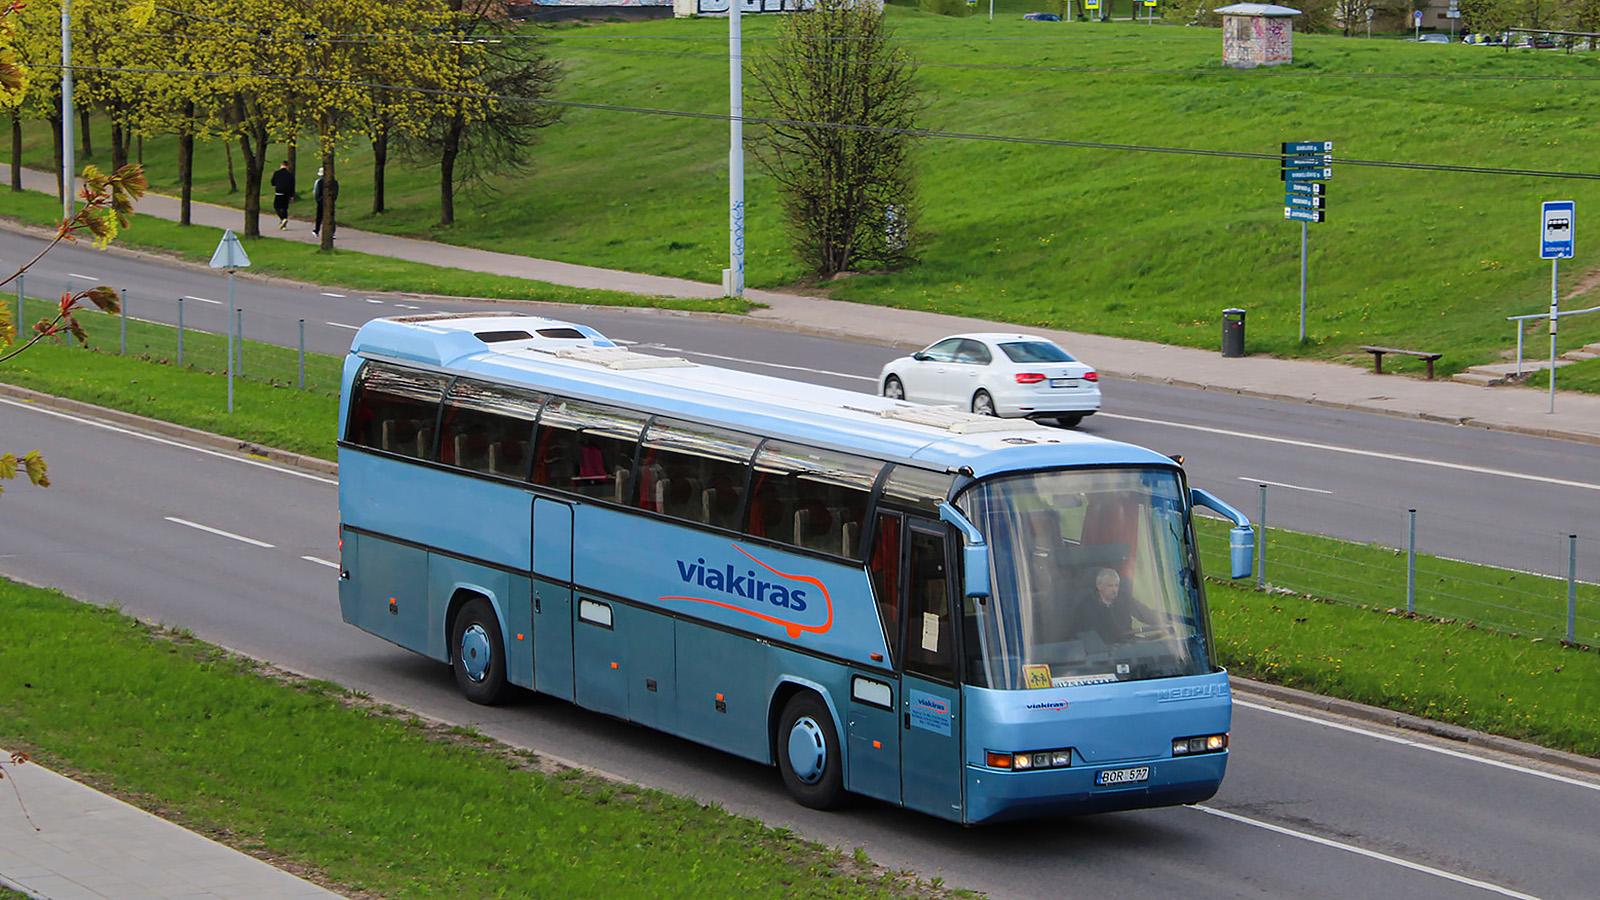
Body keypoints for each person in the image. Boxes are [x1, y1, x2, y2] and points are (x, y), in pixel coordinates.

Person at [1071, 568, 1164, 646]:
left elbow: (1145, 614)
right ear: (1099, 586)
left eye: (1116, 586)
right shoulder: (1086, 607)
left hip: (1127, 648)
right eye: (1110, 586)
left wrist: (1164, 620)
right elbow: (1081, 636)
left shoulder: (1124, 599)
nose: (1114, 590)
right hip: (1102, 654)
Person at [311, 168, 338, 239]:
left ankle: (317, 230)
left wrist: (318, 200)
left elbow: (316, 193)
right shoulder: (334, 182)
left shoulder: (319, 182)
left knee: (319, 217)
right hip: (331, 202)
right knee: (331, 217)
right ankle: (332, 232)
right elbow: (336, 193)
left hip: (321, 201)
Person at [269, 161, 294, 230]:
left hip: (279, 193)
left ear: (281, 165)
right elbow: (292, 185)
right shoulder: (290, 175)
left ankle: (283, 218)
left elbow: (272, 183)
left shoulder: (277, 173)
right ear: (287, 166)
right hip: (287, 194)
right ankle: (284, 225)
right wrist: (291, 196)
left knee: (276, 206)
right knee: (285, 208)